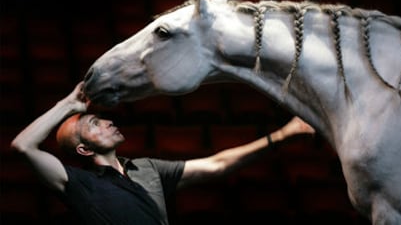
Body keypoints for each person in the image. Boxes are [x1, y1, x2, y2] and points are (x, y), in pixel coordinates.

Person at [11, 81, 315, 225]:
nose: (108, 121)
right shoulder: (76, 183)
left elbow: (217, 165)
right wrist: (69, 105)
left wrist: (283, 134)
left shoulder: (147, 168)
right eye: (95, 123)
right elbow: (23, 145)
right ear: (83, 148)